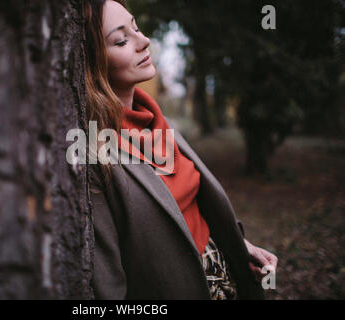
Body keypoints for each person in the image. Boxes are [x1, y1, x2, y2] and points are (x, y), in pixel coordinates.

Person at [84, 0, 278, 299]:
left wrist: (241, 247)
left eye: (136, 27)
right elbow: (107, 284)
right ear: (90, 62)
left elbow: (193, 209)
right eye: (121, 40)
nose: (144, 40)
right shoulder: (94, 155)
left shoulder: (160, 123)